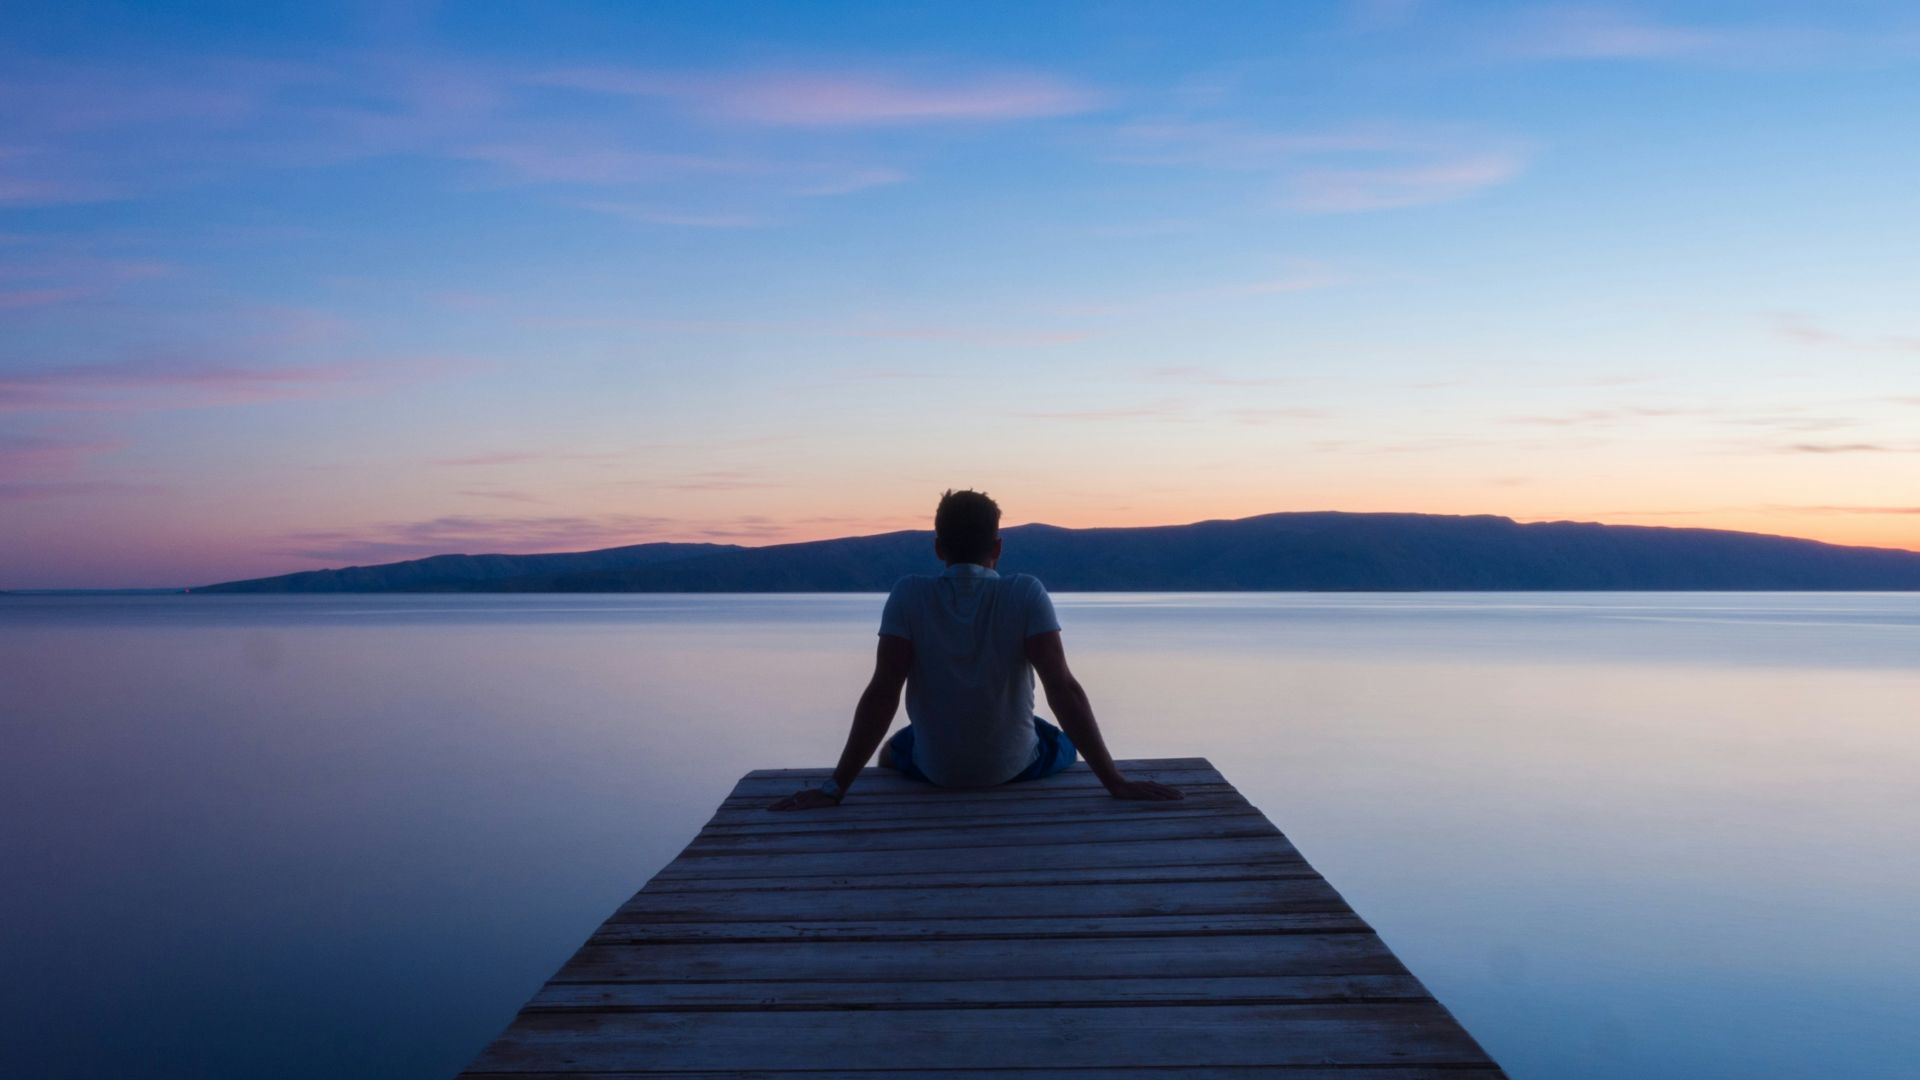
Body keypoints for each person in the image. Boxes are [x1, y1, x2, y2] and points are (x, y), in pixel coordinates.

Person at [769, 489, 1183, 810]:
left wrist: (835, 786)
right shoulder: (1025, 593)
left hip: (937, 772)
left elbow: (882, 692)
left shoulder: (908, 595)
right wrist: (1114, 782)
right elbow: (1063, 689)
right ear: (997, 547)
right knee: (1057, 740)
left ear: (939, 548)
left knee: (893, 750)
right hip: (1013, 769)